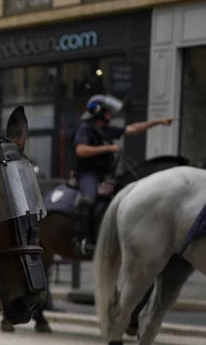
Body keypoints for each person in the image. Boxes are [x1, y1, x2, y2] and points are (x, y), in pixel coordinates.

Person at [72, 95, 174, 253]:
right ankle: (81, 240)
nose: (110, 115)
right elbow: (81, 150)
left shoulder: (105, 130)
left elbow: (133, 128)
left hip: (107, 174)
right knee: (88, 199)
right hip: (88, 174)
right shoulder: (85, 128)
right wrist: (109, 148)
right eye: (108, 112)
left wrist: (158, 122)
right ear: (98, 111)